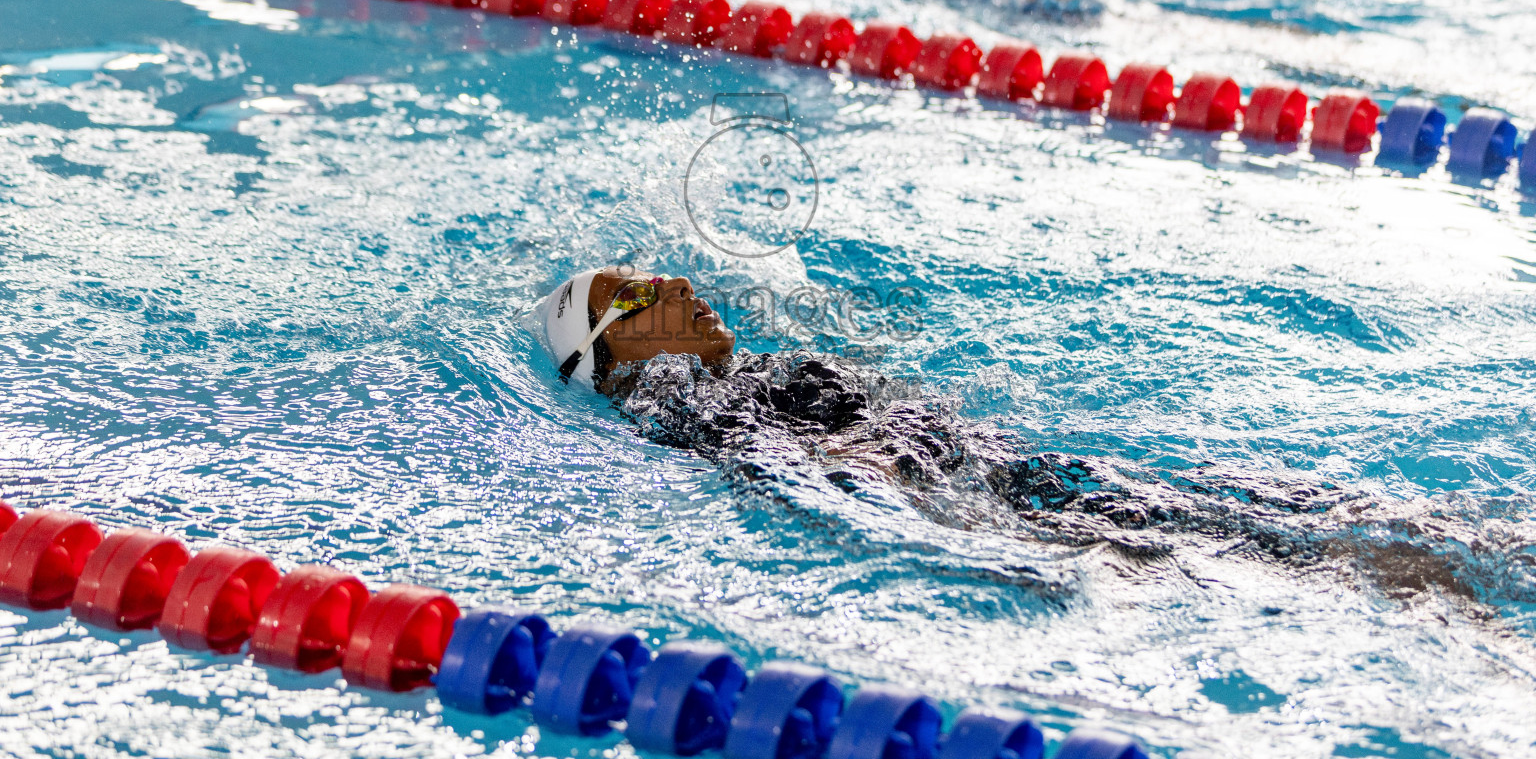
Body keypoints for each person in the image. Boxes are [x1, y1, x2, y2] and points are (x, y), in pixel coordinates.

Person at [535, 267, 1510, 603]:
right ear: (617, 352)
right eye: (638, 293)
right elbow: (815, 472)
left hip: (997, 473)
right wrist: (964, 532)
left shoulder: (732, 381)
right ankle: (1415, 572)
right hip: (981, 502)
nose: (671, 286)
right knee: (1231, 539)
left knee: (1238, 512)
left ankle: (1433, 549)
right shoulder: (691, 409)